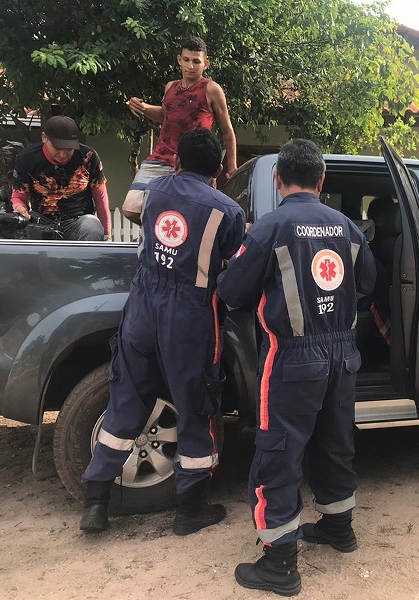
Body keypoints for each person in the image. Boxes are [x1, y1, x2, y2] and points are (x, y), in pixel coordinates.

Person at [217, 139, 376, 596]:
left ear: (277, 178)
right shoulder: (348, 228)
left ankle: (281, 563)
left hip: (292, 357)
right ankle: (338, 528)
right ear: (322, 182)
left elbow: (231, 290)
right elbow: (367, 282)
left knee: (280, 450)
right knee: (335, 441)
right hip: (342, 355)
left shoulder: (271, 227)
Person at [79, 129, 246, 535]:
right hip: (189, 316)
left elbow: (138, 221)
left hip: (142, 305)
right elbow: (239, 271)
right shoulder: (227, 210)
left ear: (177, 161)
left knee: (125, 401)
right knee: (195, 407)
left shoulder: (155, 192)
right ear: (220, 168)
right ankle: (190, 511)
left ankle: (96, 503)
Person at [123, 36, 238, 224]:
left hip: (193, 163)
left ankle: (179, 241)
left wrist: (232, 168)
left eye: (196, 61)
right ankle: (163, 233)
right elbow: (165, 115)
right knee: (131, 208)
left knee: (198, 217)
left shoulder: (211, 89)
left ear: (205, 64)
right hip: (161, 157)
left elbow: (227, 131)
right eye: (186, 60)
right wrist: (142, 107)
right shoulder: (171, 87)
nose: (190, 66)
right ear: (179, 60)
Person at [11, 115, 110, 241]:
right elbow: (19, 197)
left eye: (69, 150)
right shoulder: (26, 159)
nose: (63, 155)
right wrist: (20, 207)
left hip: (80, 222)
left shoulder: (88, 156)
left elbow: (101, 198)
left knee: (93, 227)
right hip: (41, 222)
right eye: (57, 149)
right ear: (44, 138)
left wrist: (107, 235)